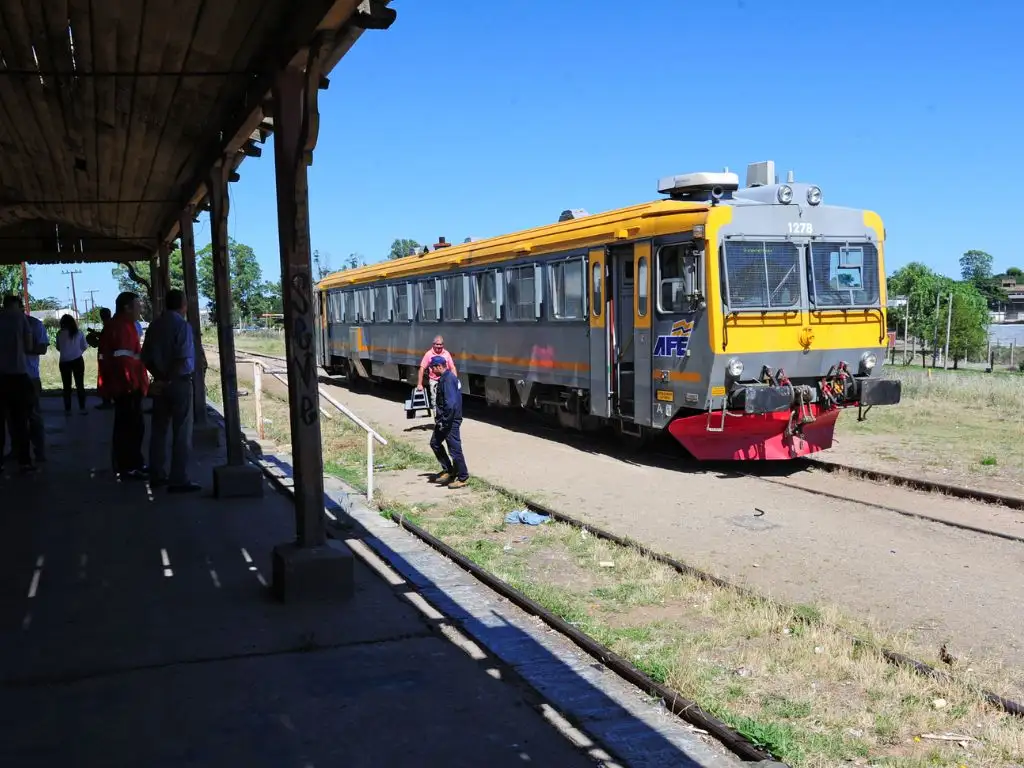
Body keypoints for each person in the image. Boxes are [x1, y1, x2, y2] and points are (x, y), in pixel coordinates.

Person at [142, 289, 200, 493]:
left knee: (158, 430)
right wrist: (168, 379)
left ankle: (157, 474)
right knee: (182, 431)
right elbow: (182, 358)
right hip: (179, 383)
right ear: (183, 305)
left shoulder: (154, 326)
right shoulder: (182, 326)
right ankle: (178, 479)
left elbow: (145, 357)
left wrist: (158, 377)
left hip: (159, 384)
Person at [99, 292, 148, 479]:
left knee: (131, 426)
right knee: (130, 428)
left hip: (124, 385)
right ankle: (128, 467)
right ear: (127, 307)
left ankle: (132, 463)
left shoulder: (121, 325)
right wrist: (133, 384)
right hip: (127, 386)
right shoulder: (122, 327)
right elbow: (124, 360)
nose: (140, 309)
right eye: (137, 306)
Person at [0, 294, 37, 473]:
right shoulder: (21, 319)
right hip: (18, 374)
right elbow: (29, 346)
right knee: (21, 420)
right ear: (17, 305)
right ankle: (24, 461)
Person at [428, 355, 468, 489]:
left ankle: (462, 477)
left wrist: (445, 421)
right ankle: (449, 470)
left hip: (450, 420)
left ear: (439, 366)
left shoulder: (448, 379)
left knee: (455, 450)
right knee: (435, 443)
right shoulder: (444, 378)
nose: (431, 370)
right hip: (443, 420)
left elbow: (451, 404)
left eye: (432, 367)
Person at [21, 299, 50, 464]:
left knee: (34, 416)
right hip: (9, 374)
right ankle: (18, 451)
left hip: (30, 376)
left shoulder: (34, 324)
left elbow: (43, 348)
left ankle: (39, 451)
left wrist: (25, 348)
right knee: (13, 417)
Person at [416, 335, 457, 416]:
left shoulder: (446, 353)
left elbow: (452, 367)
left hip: (446, 380)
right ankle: (438, 421)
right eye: (437, 344)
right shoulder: (429, 354)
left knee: (447, 400)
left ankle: (446, 419)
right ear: (433, 344)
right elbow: (422, 368)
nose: (439, 346)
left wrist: (455, 381)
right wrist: (419, 384)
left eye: (441, 344)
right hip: (434, 381)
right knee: (435, 401)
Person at [56, 313, 89, 414]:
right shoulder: (78, 333)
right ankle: (82, 407)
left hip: (64, 361)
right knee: (80, 384)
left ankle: (68, 408)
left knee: (66, 386)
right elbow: (85, 346)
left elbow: (58, 347)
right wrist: (77, 352)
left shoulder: (59, 334)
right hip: (77, 360)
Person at [87, 307, 113, 409]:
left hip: (104, 356)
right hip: (110, 356)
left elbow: (104, 340)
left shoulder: (108, 326)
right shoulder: (111, 325)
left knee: (104, 378)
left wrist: (96, 336)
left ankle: (106, 401)